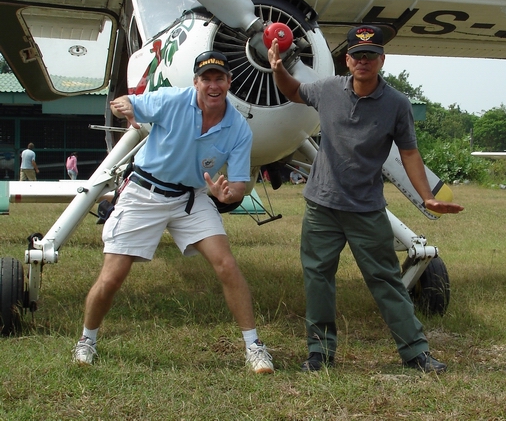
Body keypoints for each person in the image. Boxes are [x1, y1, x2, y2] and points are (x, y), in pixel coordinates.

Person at [268, 25, 464, 374]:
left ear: (381, 61)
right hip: (322, 206)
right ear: (348, 60)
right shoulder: (328, 90)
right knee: (318, 278)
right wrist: (278, 70)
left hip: (366, 208)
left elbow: (410, 154)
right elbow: (295, 92)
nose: (363, 61)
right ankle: (320, 353)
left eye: (370, 55)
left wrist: (426, 197)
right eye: (357, 55)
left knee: (386, 280)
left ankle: (416, 353)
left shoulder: (397, 104)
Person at [72, 50, 274, 374]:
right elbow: (125, 102)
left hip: (189, 197)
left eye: (219, 78)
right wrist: (125, 106)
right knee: (112, 277)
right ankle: (87, 340)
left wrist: (225, 195)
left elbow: (236, 186)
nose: (212, 86)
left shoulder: (239, 129)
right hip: (143, 192)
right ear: (195, 82)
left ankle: (254, 347)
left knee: (226, 265)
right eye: (205, 79)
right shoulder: (171, 100)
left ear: (229, 82)